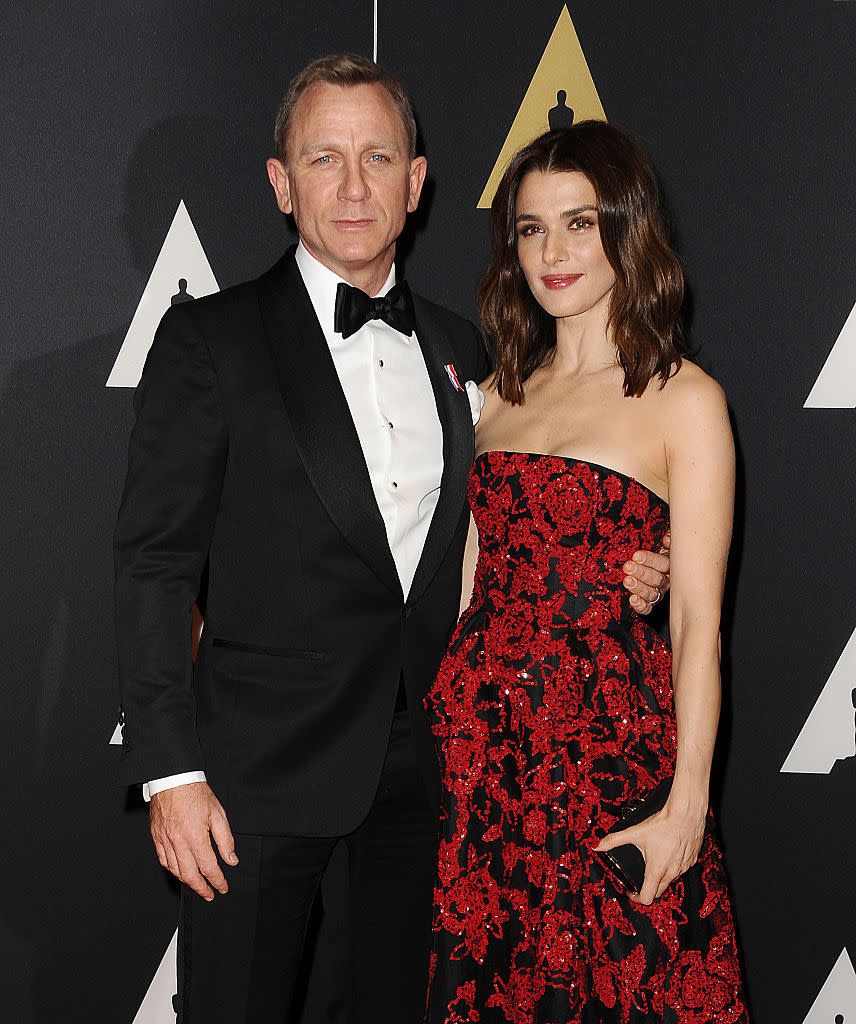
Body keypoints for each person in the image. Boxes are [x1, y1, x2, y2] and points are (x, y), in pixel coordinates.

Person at [114, 55, 670, 1023]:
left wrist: (625, 567)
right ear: (281, 183)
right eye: (323, 158)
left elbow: (520, 524)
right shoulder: (211, 340)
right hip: (252, 784)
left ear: (417, 182)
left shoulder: (473, 350)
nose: (354, 184)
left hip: (433, 778)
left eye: (378, 156)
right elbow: (154, 563)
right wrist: (172, 774)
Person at [425, 121, 748, 1023]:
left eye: (579, 222)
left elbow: (696, 626)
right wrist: (447, 715)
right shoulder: (495, 394)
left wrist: (689, 804)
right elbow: (473, 575)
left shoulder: (685, 399)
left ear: (626, 229)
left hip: (612, 756)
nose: (553, 252)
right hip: (485, 765)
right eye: (531, 229)